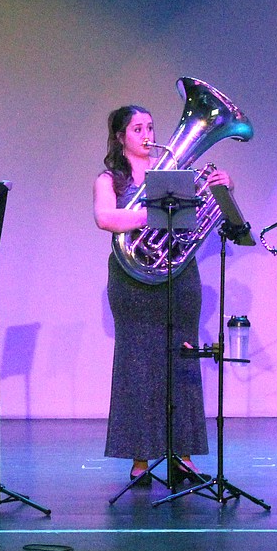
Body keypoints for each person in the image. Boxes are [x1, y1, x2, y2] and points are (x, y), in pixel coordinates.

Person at [93, 105, 232, 483]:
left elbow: (199, 220)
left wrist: (221, 189)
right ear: (121, 137)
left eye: (151, 127)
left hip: (178, 276)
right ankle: (140, 460)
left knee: (183, 362)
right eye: (138, 128)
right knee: (137, 365)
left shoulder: (173, 176)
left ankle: (183, 455)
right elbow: (106, 218)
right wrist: (155, 213)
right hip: (132, 280)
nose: (147, 134)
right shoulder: (110, 180)